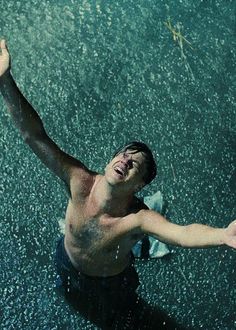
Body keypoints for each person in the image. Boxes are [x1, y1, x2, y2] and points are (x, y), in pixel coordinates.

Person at [1, 39, 236, 329]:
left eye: (134, 163)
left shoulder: (137, 218)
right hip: (66, 260)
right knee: (79, 305)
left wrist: (222, 235)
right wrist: (5, 80)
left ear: (139, 185)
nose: (125, 160)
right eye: (124, 155)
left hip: (109, 285)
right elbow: (32, 135)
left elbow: (182, 233)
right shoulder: (78, 181)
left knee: (130, 320)